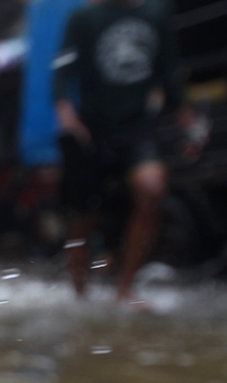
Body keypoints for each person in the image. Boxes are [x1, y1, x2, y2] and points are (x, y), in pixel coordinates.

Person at [53, 0, 197, 306]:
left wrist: (185, 118)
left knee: (152, 188)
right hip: (92, 126)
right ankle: (79, 294)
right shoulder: (84, 17)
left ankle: (125, 288)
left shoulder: (156, 13)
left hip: (138, 126)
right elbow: (63, 70)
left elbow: (169, 69)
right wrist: (66, 113)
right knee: (82, 217)